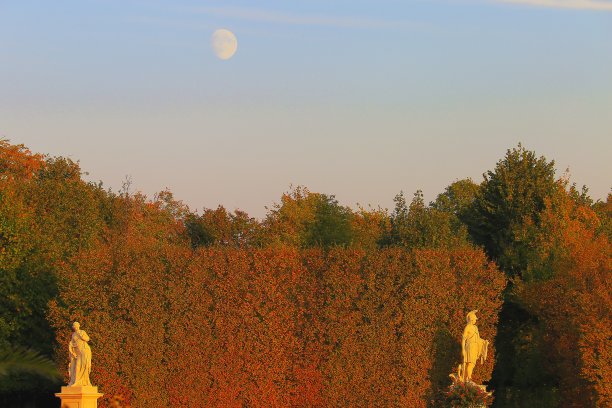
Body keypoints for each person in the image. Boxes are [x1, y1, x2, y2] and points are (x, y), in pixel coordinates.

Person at [461, 310, 488, 382]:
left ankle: (468, 377)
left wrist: (484, 342)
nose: (476, 320)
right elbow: (464, 339)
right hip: (470, 346)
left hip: (475, 346)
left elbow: (478, 338)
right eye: (475, 319)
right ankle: (468, 377)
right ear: (471, 319)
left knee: (473, 363)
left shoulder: (475, 327)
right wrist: (463, 350)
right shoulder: (467, 327)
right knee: (470, 362)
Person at [68, 321, 92, 386]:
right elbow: (72, 343)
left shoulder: (82, 332)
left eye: (76, 326)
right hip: (78, 352)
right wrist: (71, 350)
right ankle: (76, 381)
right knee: (77, 366)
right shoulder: (73, 334)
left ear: (79, 326)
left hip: (84, 350)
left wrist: (81, 336)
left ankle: (83, 381)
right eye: (74, 326)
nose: (75, 327)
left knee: (84, 365)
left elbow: (87, 339)